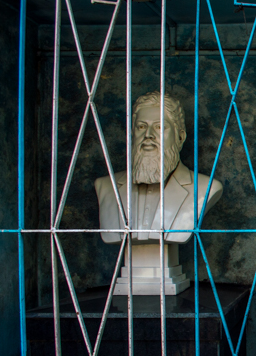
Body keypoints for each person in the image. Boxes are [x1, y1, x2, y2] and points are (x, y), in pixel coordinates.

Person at [95, 91, 223, 244]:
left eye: (159, 127)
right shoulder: (106, 186)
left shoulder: (206, 188)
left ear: (180, 137)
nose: (148, 135)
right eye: (141, 126)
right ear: (132, 134)